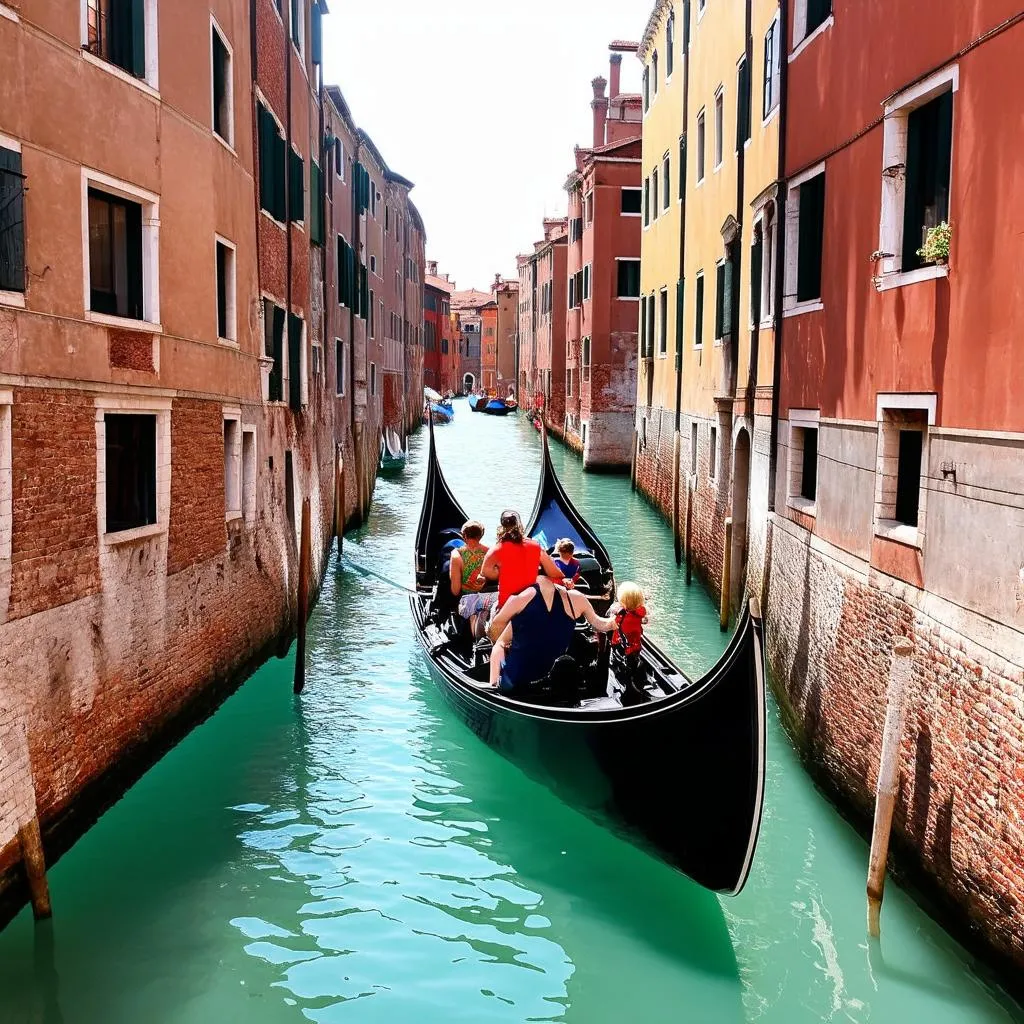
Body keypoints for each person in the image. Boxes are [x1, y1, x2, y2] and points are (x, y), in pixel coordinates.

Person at [486, 576, 617, 691]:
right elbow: (599, 623)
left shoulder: (522, 603)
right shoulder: (576, 599)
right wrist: (613, 622)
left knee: (498, 647)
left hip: (516, 682)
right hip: (551, 680)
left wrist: (493, 686)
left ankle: (495, 687)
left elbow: (499, 643)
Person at [478, 510, 564, 609]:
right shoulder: (536, 546)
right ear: (520, 526)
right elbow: (555, 574)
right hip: (530, 603)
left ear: (501, 528)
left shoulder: (496, 549)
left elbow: (486, 573)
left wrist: (502, 571)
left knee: (474, 604)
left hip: (506, 605)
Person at [449, 520, 496, 638]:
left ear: (464, 535)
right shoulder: (490, 552)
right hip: (486, 597)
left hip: (466, 600)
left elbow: (455, 590)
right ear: (481, 535)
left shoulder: (456, 554)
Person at [609, 581, 648, 699]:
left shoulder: (620, 616)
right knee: (633, 663)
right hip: (636, 646)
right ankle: (635, 681)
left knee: (620, 666)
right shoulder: (639, 614)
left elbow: (611, 623)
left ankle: (623, 685)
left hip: (620, 647)